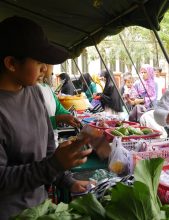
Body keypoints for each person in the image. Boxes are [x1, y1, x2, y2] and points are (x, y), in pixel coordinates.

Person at [0, 16, 93, 219]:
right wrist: (54, 165)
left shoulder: (34, 92)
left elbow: (48, 150)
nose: (45, 68)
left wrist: (68, 181)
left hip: (40, 209)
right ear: (11, 63)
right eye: (39, 61)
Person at [38, 64, 81, 147]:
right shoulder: (30, 90)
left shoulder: (47, 88)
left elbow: (58, 108)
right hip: (39, 144)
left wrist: (68, 116)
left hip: (52, 141)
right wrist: (58, 119)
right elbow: (33, 124)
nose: (44, 67)